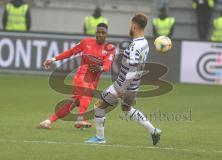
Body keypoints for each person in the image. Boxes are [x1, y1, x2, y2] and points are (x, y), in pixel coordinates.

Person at [85, 13, 161, 145]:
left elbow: (132, 69)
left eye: (131, 24)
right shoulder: (144, 43)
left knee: (98, 106)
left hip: (123, 85)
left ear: (135, 26)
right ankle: (153, 130)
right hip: (135, 85)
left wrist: (122, 88)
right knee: (127, 109)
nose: (129, 26)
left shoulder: (134, 47)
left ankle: (99, 138)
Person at [39, 23, 116, 129]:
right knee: (86, 93)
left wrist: (102, 68)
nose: (100, 34)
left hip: (93, 81)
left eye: (103, 32)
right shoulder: (86, 42)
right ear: (95, 33)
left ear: (107, 34)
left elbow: (108, 65)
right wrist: (53, 59)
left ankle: (48, 121)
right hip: (81, 76)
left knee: (74, 102)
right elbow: (70, 52)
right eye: (98, 32)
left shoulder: (110, 48)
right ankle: (80, 119)